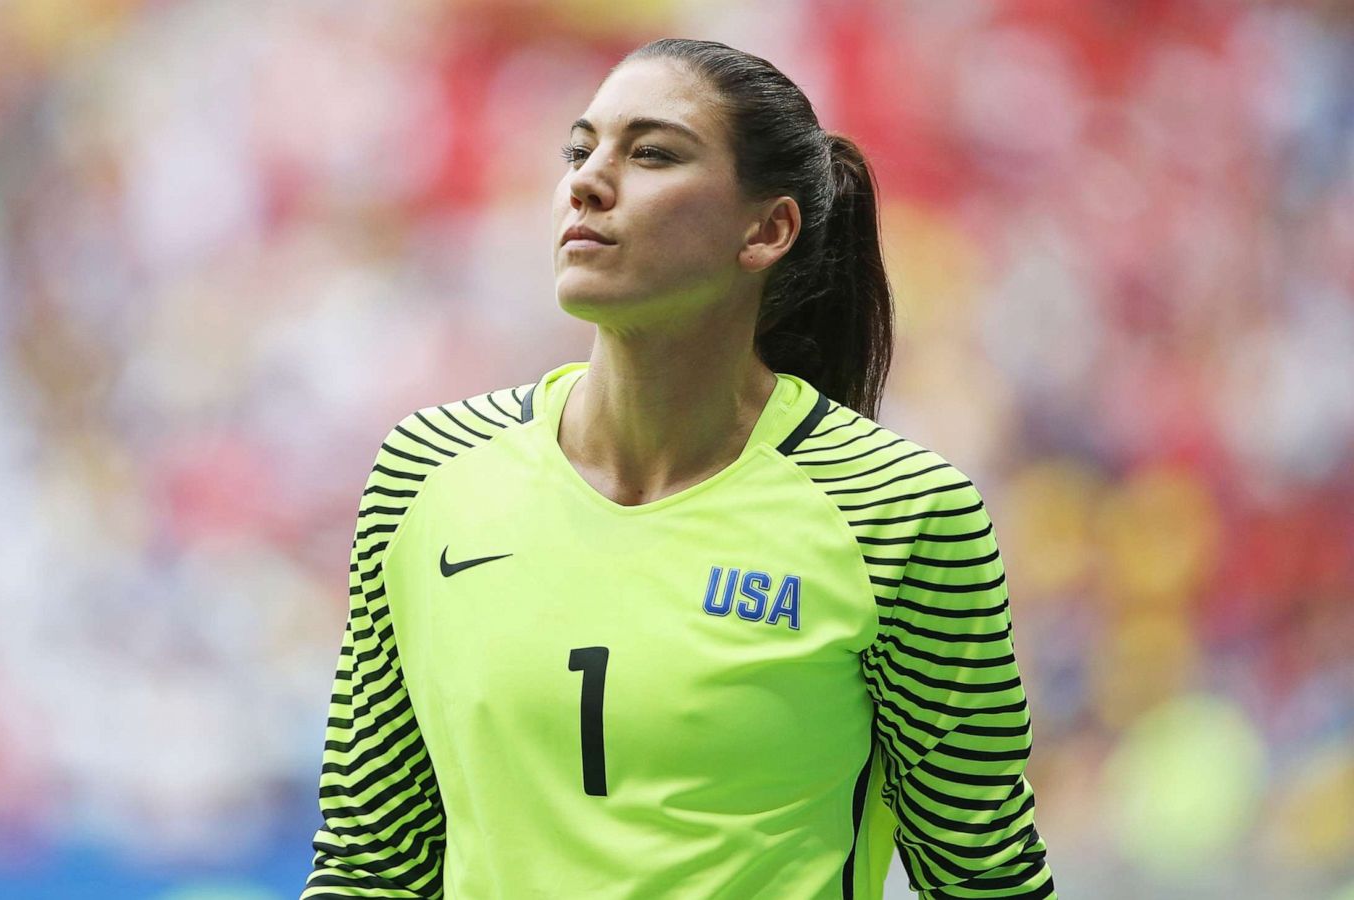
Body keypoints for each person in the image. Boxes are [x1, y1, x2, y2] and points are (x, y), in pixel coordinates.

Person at [301, 37, 1057, 900]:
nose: (588, 181)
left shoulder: (902, 513)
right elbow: (367, 865)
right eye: (579, 150)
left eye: (652, 153)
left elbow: (985, 877)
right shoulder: (425, 470)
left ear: (767, 230)